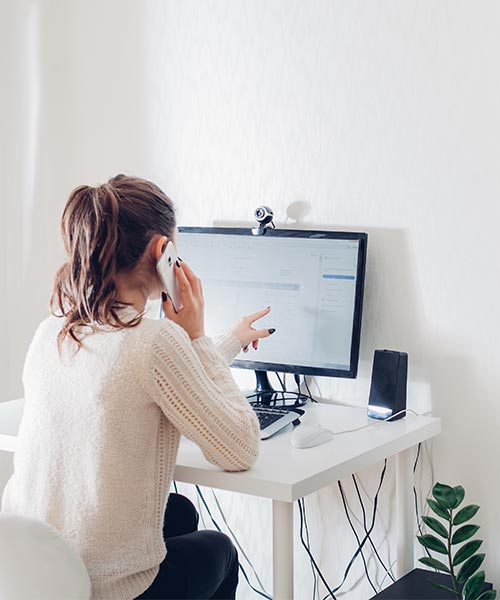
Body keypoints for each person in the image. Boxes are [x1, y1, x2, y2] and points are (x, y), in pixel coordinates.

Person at [1, 174, 275, 600]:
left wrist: (230, 340)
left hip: (36, 573)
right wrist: (197, 337)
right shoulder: (155, 342)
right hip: (106, 587)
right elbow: (240, 449)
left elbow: (163, 379)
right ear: (162, 251)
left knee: (179, 512)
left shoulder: (53, 330)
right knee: (220, 550)